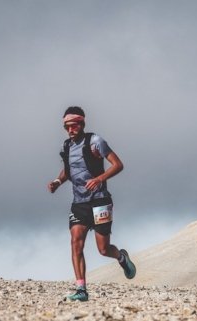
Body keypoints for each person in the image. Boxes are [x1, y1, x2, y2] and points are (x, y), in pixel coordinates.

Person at [48, 106, 136, 302]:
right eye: (67, 127)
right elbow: (68, 170)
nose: (70, 130)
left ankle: (121, 257)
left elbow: (118, 164)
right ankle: (81, 290)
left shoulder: (95, 141)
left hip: (100, 200)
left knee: (103, 249)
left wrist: (99, 178)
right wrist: (57, 181)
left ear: (82, 124)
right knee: (75, 243)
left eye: (74, 126)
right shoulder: (66, 147)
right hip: (79, 203)